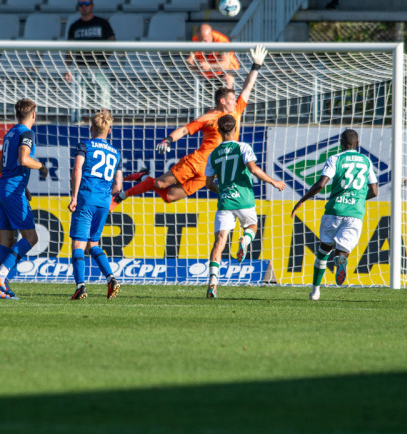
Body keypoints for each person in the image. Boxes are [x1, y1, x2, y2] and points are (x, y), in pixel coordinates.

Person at [112, 44, 267, 210]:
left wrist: (256, 65)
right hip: (197, 161)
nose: (235, 100)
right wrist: (168, 140)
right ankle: (122, 195)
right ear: (222, 101)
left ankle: (143, 178)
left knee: (170, 197)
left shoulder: (236, 110)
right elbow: (185, 130)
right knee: (161, 183)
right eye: (231, 98)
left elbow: (247, 88)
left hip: (210, 170)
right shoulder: (209, 117)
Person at [204, 114, 286, 299]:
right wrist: (273, 182)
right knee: (252, 227)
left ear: (218, 130)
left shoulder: (213, 154)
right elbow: (253, 169)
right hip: (244, 200)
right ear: (235, 129)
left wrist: (224, 191)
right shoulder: (242, 147)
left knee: (219, 242)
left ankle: (213, 282)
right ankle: (245, 241)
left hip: (225, 202)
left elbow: (209, 184)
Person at [291, 129, 378, 301]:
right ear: (357, 144)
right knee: (342, 251)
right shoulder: (366, 161)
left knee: (323, 250)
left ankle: (315, 291)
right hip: (355, 214)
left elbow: (321, 184)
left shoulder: (335, 159)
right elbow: (374, 191)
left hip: (334, 211)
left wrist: (303, 199)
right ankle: (340, 261)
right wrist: (359, 199)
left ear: (340, 143)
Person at [0, 99, 48, 300]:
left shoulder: (9, 133)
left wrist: (25, 187)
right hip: (13, 191)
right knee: (31, 238)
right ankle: (0, 275)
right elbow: (24, 159)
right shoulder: (27, 133)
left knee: (6, 239)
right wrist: (41, 166)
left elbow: (2, 166)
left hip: (3, 188)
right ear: (33, 115)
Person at [67, 111, 122, 300]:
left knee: (78, 245)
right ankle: (111, 278)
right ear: (109, 131)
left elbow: (77, 170)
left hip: (86, 198)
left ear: (91, 128)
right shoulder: (116, 153)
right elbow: (118, 186)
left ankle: (80, 286)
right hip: (103, 202)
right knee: (93, 244)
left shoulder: (84, 146)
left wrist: (74, 197)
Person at [65, 0, 115, 120]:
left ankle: (105, 123)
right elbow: (69, 50)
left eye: (86, 4)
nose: (84, 7)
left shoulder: (102, 23)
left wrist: (101, 57)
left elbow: (112, 42)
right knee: (82, 100)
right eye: (81, 4)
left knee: (104, 99)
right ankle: (83, 124)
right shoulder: (74, 26)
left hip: (100, 67)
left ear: (92, 5)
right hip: (81, 68)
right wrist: (68, 69)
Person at [186, 23, 240, 89]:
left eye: (205, 41)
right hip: (209, 75)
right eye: (199, 40)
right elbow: (189, 61)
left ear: (211, 37)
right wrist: (198, 67)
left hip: (226, 71)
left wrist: (209, 66)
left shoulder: (222, 42)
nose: (202, 44)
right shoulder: (195, 40)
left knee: (227, 80)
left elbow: (224, 64)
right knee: (211, 96)